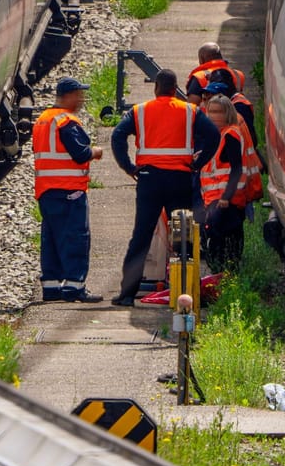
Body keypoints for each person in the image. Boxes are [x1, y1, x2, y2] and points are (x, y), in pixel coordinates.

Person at [108, 69, 220, 306]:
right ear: (175, 88)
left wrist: (128, 166)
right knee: (183, 235)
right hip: (179, 179)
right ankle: (186, 291)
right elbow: (213, 136)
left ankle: (127, 294)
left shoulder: (140, 111)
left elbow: (118, 136)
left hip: (149, 180)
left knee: (142, 235)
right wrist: (197, 163)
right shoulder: (190, 111)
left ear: (156, 88)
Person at [33, 78, 103, 302]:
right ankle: (75, 287)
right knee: (76, 238)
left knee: (52, 239)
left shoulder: (42, 120)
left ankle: (51, 288)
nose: (81, 100)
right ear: (67, 96)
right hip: (69, 191)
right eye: (78, 95)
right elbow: (80, 153)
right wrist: (96, 151)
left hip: (46, 190)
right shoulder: (66, 121)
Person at [197, 93, 260, 270]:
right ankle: (223, 272)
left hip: (226, 200)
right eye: (211, 111)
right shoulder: (219, 135)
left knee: (224, 240)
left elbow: (236, 168)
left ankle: (224, 272)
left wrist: (226, 196)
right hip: (215, 199)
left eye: (219, 112)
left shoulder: (230, 135)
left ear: (228, 113)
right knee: (220, 238)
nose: (214, 116)